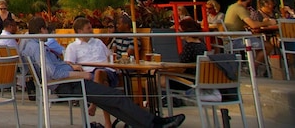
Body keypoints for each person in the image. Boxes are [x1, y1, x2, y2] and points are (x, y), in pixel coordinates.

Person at [20, 16, 185, 128]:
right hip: (68, 84)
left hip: (67, 82)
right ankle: (156, 123)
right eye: (46, 30)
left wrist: (69, 65)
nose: (48, 33)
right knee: (116, 97)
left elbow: (52, 69)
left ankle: (150, 124)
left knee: (110, 101)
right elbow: (54, 73)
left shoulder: (30, 44)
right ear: (42, 30)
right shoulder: (38, 46)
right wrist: (82, 74)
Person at [64, 16, 117, 127]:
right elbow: (68, 64)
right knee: (103, 83)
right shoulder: (73, 47)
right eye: (88, 28)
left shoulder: (98, 42)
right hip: (90, 75)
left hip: (107, 71)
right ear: (80, 31)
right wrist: (75, 67)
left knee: (100, 73)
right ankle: (108, 123)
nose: (91, 30)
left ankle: (93, 105)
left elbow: (109, 55)